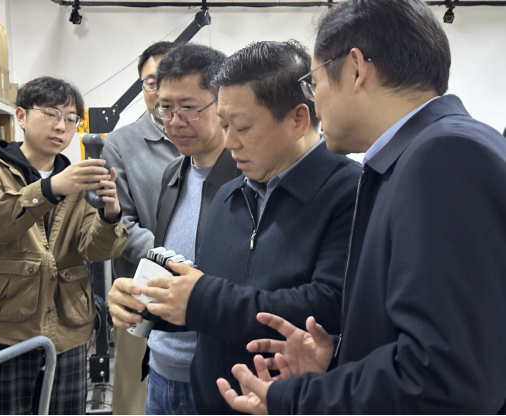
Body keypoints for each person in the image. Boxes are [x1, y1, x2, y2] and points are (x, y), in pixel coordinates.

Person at [217, 1, 506, 414]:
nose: (314, 103)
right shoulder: (424, 153)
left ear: (356, 68)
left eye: (314, 83)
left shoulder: (444, 156)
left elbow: (446, 377)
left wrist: (296, 398)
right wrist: (342, 357)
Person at [129, 40, 362, 414]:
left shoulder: (350, 192)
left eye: (241, 127)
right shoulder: (231, 194)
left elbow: (328, 305)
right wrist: (153, 307)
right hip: (210, 399)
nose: (229, 141)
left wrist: (202, 297)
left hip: (286, 402)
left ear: (298, 119)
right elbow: (218, 304)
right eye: (224, 125)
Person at [0, 76, 128, 415]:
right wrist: (49, 189)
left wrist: (110, 215)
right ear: (21, 116)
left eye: (71, 118)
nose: (61, 126)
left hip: (68, 332)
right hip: (1, 329)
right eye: (51, 113)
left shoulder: (79, 180)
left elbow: (95, 250)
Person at [109, 43, 240, 415]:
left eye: (188, 108)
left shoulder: (248, 177)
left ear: (222, 103)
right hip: (161, 369)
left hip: (216, 379)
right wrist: (134, 295)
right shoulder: (174, 173)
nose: (174, 121)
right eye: (165, 108)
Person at [102, 41, 180, 416]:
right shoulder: (120, 145)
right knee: (136, 399)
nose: (161, 90)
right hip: (140, 295)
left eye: (170, 78)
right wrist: (177, 258)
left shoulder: (217, 139)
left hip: (201, 291)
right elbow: (121, 225)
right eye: (151, 81)